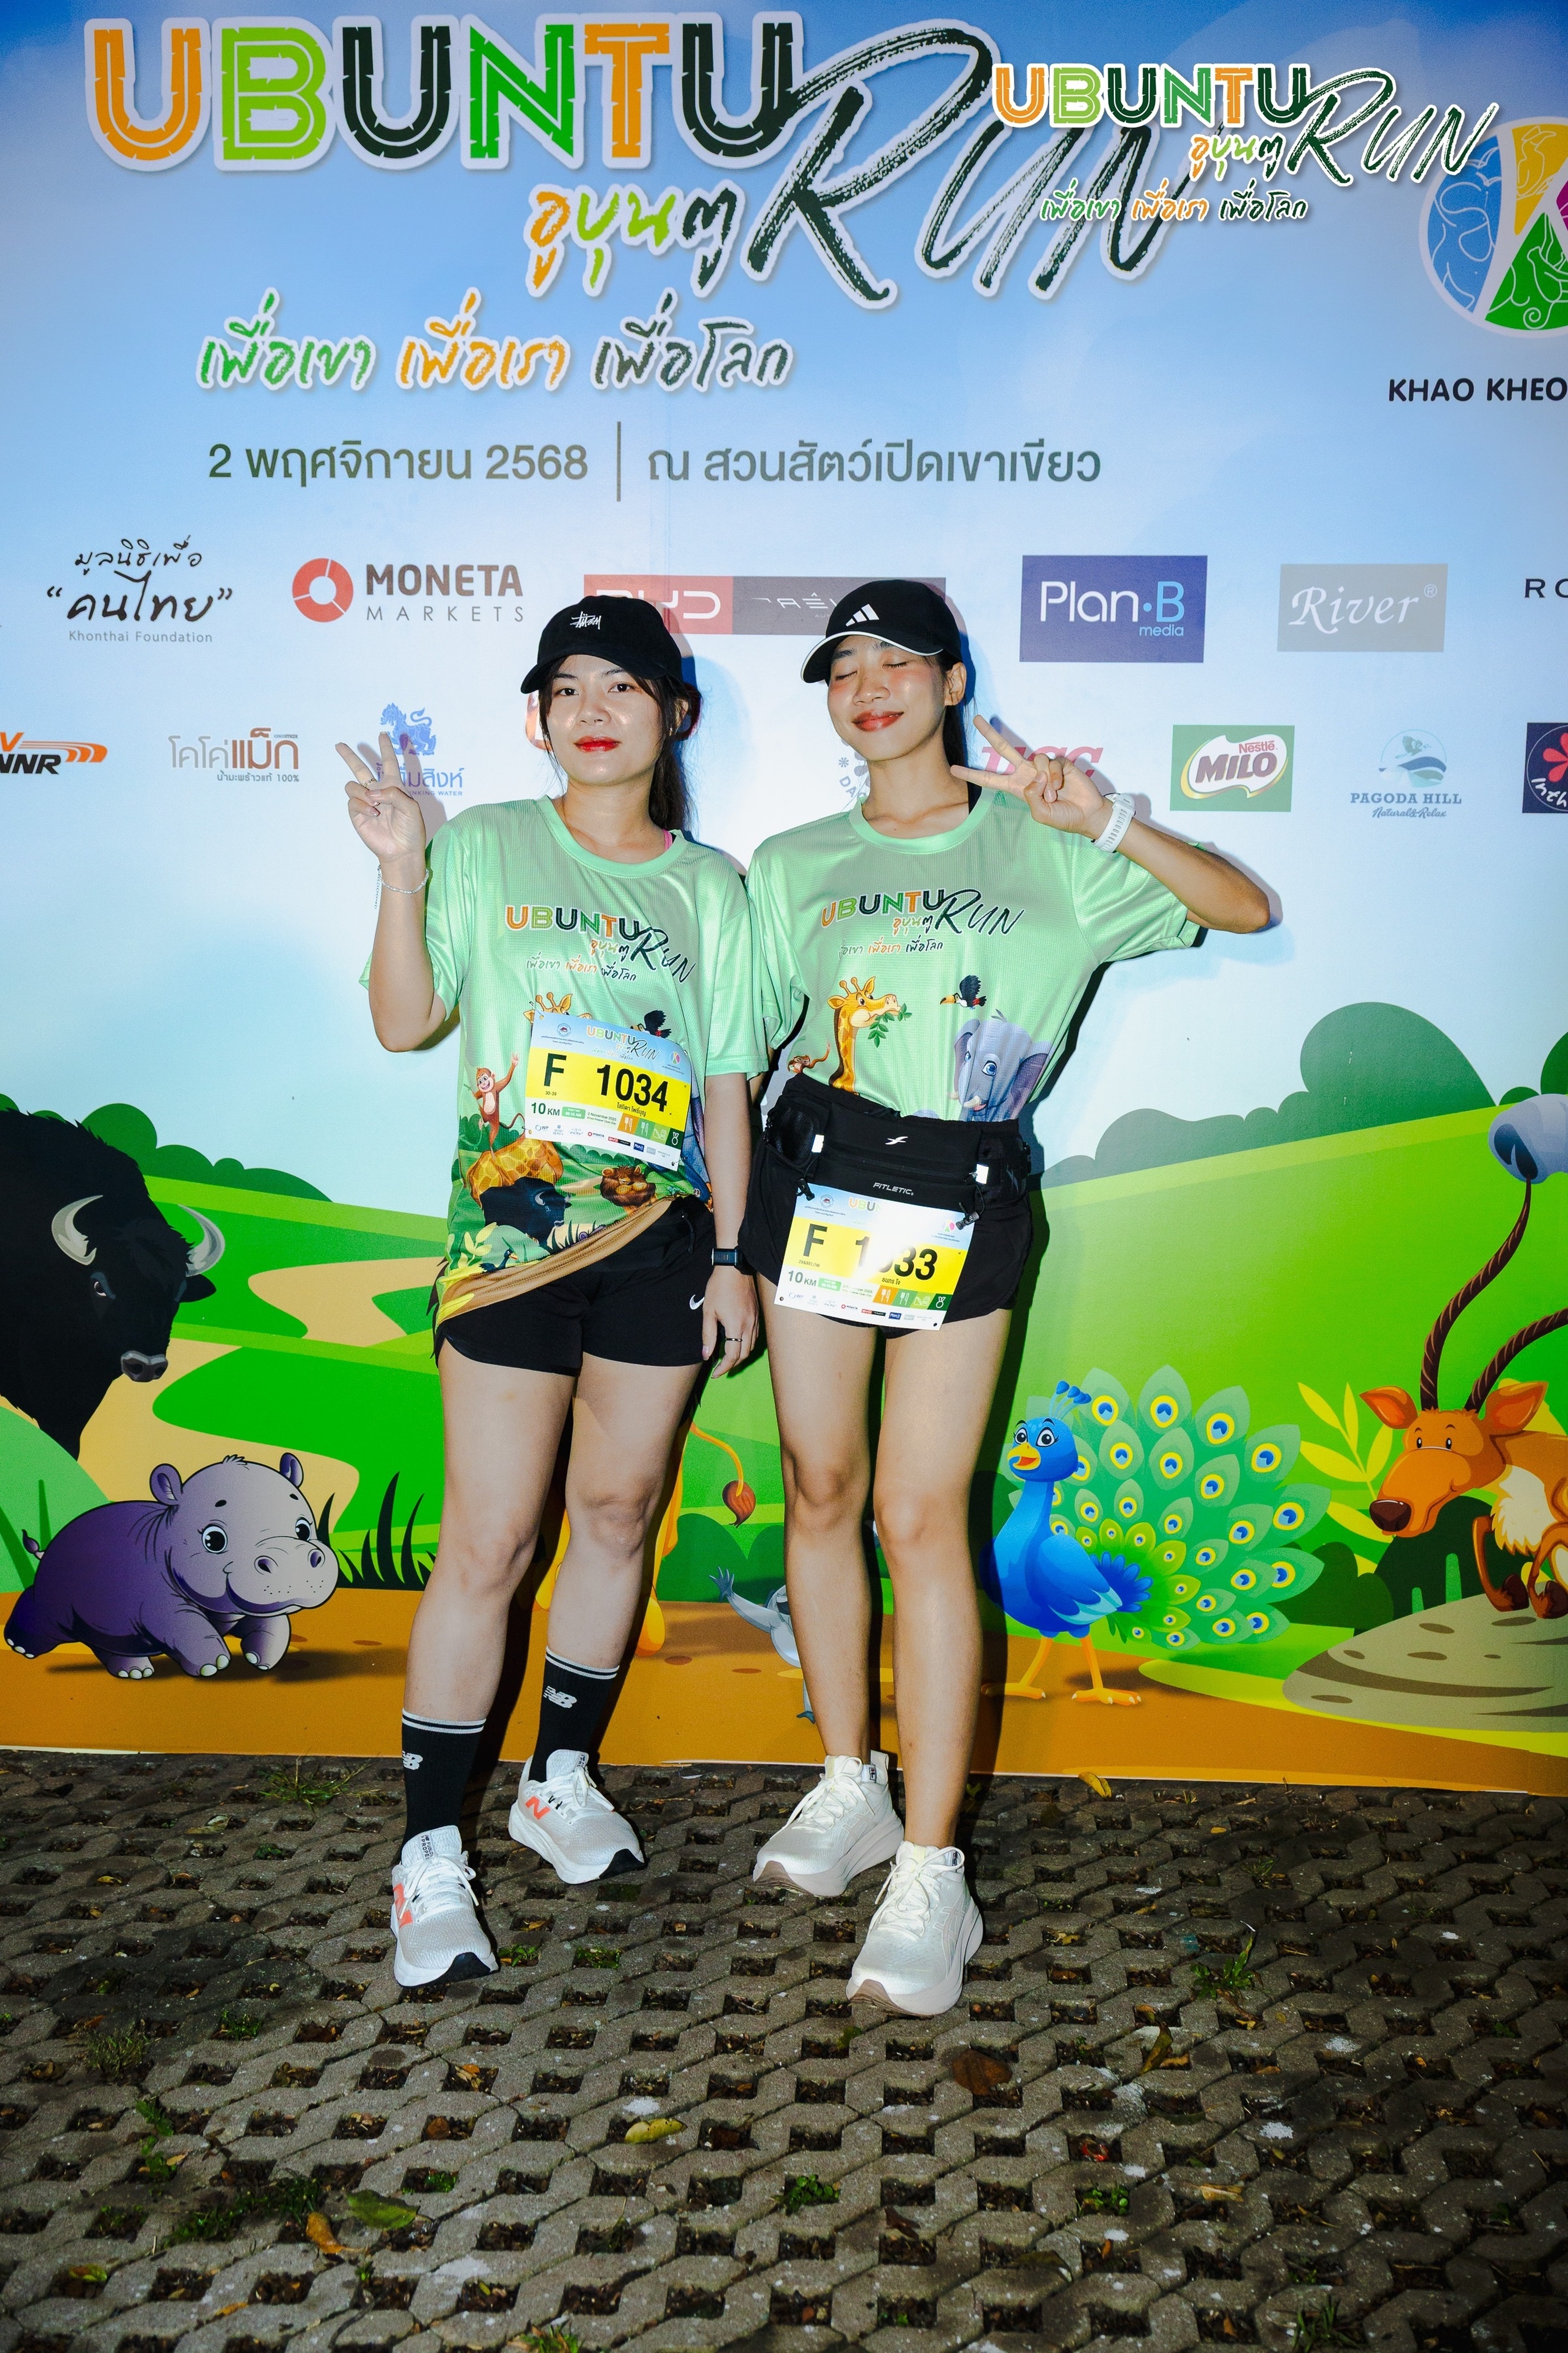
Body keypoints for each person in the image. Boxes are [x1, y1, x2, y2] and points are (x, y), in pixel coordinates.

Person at [740, 579, 1269, 2014]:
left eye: (896, 660)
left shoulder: (1048, 841)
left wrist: (1107, 815)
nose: (868, 687)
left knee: (920, 1512)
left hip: (958, 1193)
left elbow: (1242, 903)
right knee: (818, 1482)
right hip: (817, 1179)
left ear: (953, 679)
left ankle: (932, 1868)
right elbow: (752, 1043)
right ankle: (848, 1779)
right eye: (843, 666)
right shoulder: (791, 862)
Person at [340, 595, 761, 1989]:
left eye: (623, 686)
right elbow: (404, 1021)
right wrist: (401, 870)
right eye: (567, 687)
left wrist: (733, 1254)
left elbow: (725, 1085)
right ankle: (426, 1853)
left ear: (673, 714)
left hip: (661, 1240)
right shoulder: (481, 845)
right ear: (538, 717)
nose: (592, 710)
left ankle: (555, 1779)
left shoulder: (708, 887)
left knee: (618, 1511)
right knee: (489, 1540)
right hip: (511, 1246)